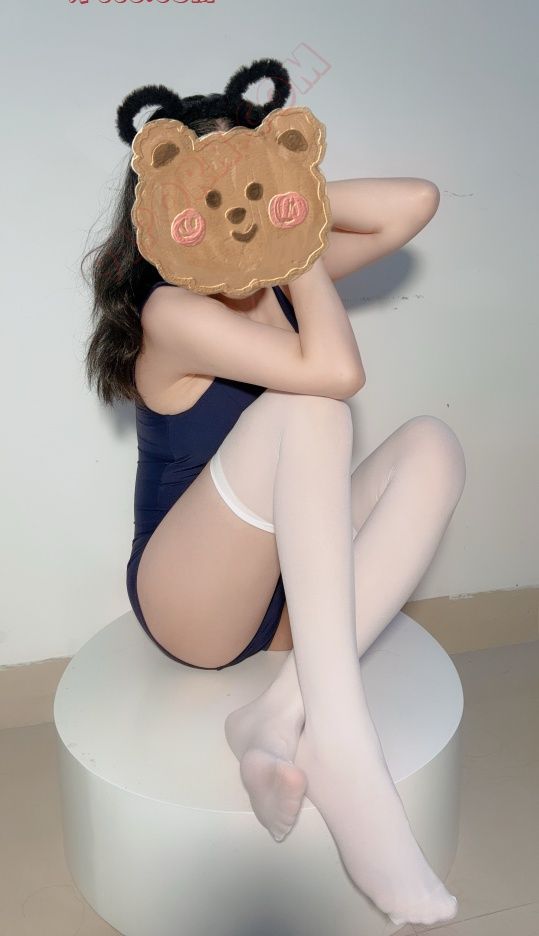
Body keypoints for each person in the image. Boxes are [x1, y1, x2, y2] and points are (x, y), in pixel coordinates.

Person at [83, 59, 466, 928]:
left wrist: (288, 207)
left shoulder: (282, 272)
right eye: (208, 189)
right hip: (190, 603)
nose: (235, 208)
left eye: (248, 179)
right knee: (310, 409)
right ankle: (341, 748)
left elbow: (413, 203)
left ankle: (275, 714)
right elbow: (333, 372)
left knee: (431, 447)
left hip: (288, 608)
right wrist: (290, 248)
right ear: (170, 208)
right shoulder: (172, 312)